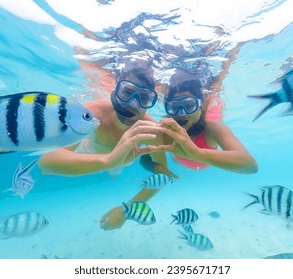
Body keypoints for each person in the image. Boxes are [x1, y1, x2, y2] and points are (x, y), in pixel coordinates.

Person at [38, 59, 177, 230]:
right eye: (127, 93)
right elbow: (46, 163)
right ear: (115, 90)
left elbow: (162, 175)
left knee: (114, 173)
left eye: (143, 98)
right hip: (89, 151)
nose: (133, 105)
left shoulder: (151, 131)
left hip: (121, 162)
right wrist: (109, 160)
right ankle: (113, 169)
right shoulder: (92, 112)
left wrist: (126, 211)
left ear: (151, 102)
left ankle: (113, 171)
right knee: (114, 168)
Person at [157, 69, 258, 173]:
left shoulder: (212, 128)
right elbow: (146, 159)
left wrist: (197, 153)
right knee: (175, 160)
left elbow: (251, 166)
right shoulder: (164, 128)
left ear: (202, 105)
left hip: (205, 162)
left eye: (189, 105)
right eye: (174, 107)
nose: (182, 113)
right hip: (178, 160)